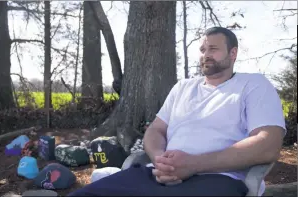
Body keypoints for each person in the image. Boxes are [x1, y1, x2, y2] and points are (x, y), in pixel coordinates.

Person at [68, 27, 286, 196]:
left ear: (233, 53)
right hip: (157, 174)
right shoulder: (183, 87)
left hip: (217, 179)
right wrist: (161, 160)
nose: (205, 55)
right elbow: (155, 130)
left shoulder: (253, 85)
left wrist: (192, 164)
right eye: (203, 49)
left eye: (213, 49)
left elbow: (267, 144)